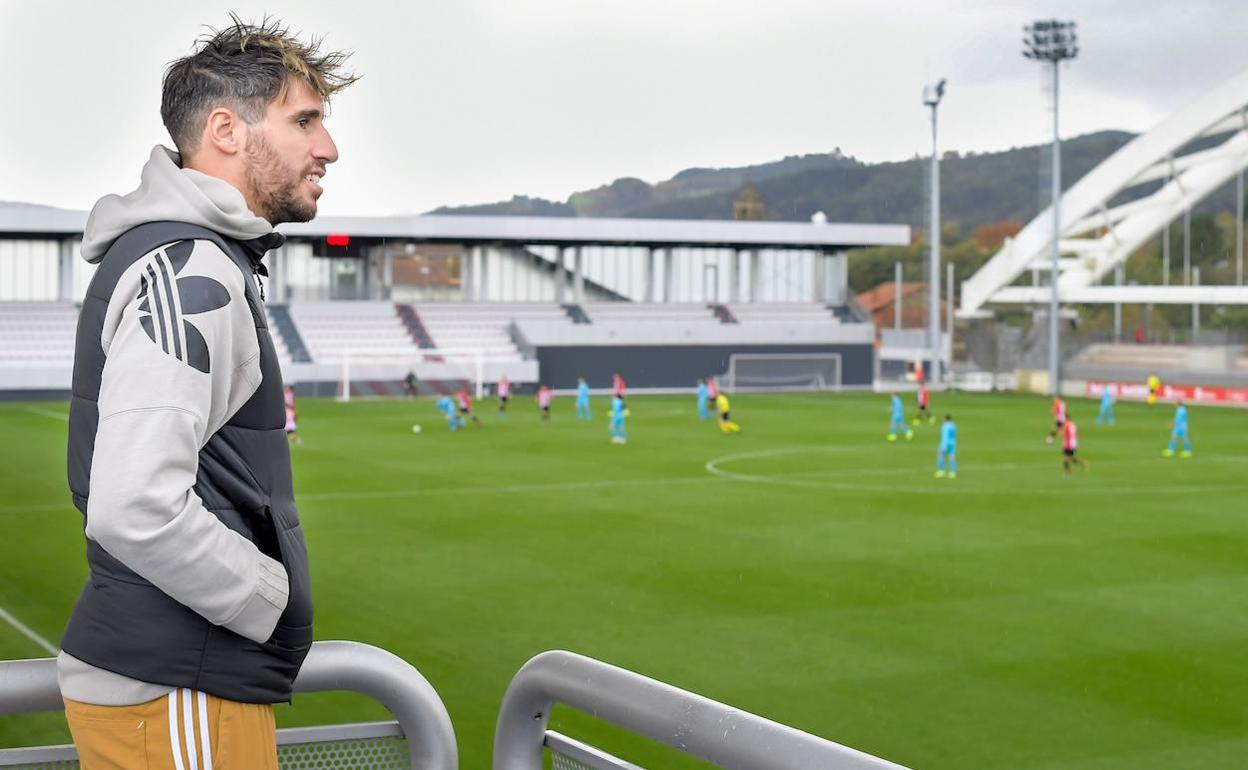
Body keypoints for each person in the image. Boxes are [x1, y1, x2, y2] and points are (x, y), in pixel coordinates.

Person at [60, 17, 357, 769]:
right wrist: (268, 597)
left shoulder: (200, 258)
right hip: (177, 685)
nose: (328, 148)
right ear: (227, 129)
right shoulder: (190, 267)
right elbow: (133, 503)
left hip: (180, 684)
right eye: (305, 120)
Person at [934, 414, 957, 478]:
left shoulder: (945, 426)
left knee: (940, 456)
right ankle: (953, 472)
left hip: (945, 444)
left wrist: (944, 446)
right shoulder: (953, 425)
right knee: (952, 457)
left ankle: (941, 471)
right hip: (952, 443)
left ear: (945, 419)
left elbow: (945, 436)